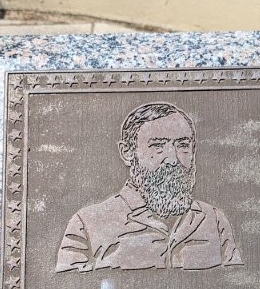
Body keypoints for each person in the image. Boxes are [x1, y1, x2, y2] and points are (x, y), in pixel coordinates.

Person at [56, 102, 243, 272]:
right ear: (127, 153)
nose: (173, 159)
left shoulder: (214, 221)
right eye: (158, 146)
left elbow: (237, 288)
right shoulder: (87, 225)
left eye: (183, 145)